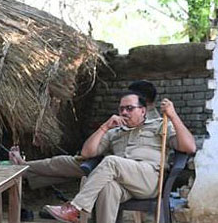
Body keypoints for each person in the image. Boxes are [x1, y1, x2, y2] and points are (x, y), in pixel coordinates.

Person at [43, 92, 196, 223]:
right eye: (121, 108)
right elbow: (86, 153)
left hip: (148, 179)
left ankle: (74, 208)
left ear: (143, 111)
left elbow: (189, 147)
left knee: (110, 161)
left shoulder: (159, 125)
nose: (124, 112)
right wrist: (104, 127)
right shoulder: (115, 132)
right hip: (123, 182)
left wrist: (173, 115)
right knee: (108, 188)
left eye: (129, 108)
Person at [9, 80, 162, 190]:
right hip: (103, 159)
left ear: (144, 104)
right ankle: (24, 172)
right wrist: (104, 129)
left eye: (131, 105)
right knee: (65, 166)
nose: (125, 111)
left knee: (67, 165)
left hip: (122, 169)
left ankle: (23, 169)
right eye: (124, 107)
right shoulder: (126, 120)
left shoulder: (156, 124)